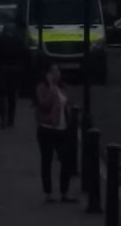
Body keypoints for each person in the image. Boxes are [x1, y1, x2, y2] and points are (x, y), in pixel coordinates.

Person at [35, 60, 76, 203]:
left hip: (62, 129)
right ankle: (48, 193)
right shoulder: (42, 87)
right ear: (47, 74)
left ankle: (64, 192)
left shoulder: (63, 88)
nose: (56, 74)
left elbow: (67, 105)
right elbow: (44, 104)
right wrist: (51, 87)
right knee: (47, 161)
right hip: (47, 129)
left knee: (66, 161)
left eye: (58, 71)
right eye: (53, 71)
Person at [0, 24, 30, 129]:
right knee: (12, 96)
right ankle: (11, 119)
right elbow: (26, 56)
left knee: (1, 96)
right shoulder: (19, 41)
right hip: (16, 71)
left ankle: (3, 118)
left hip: (2, 70)